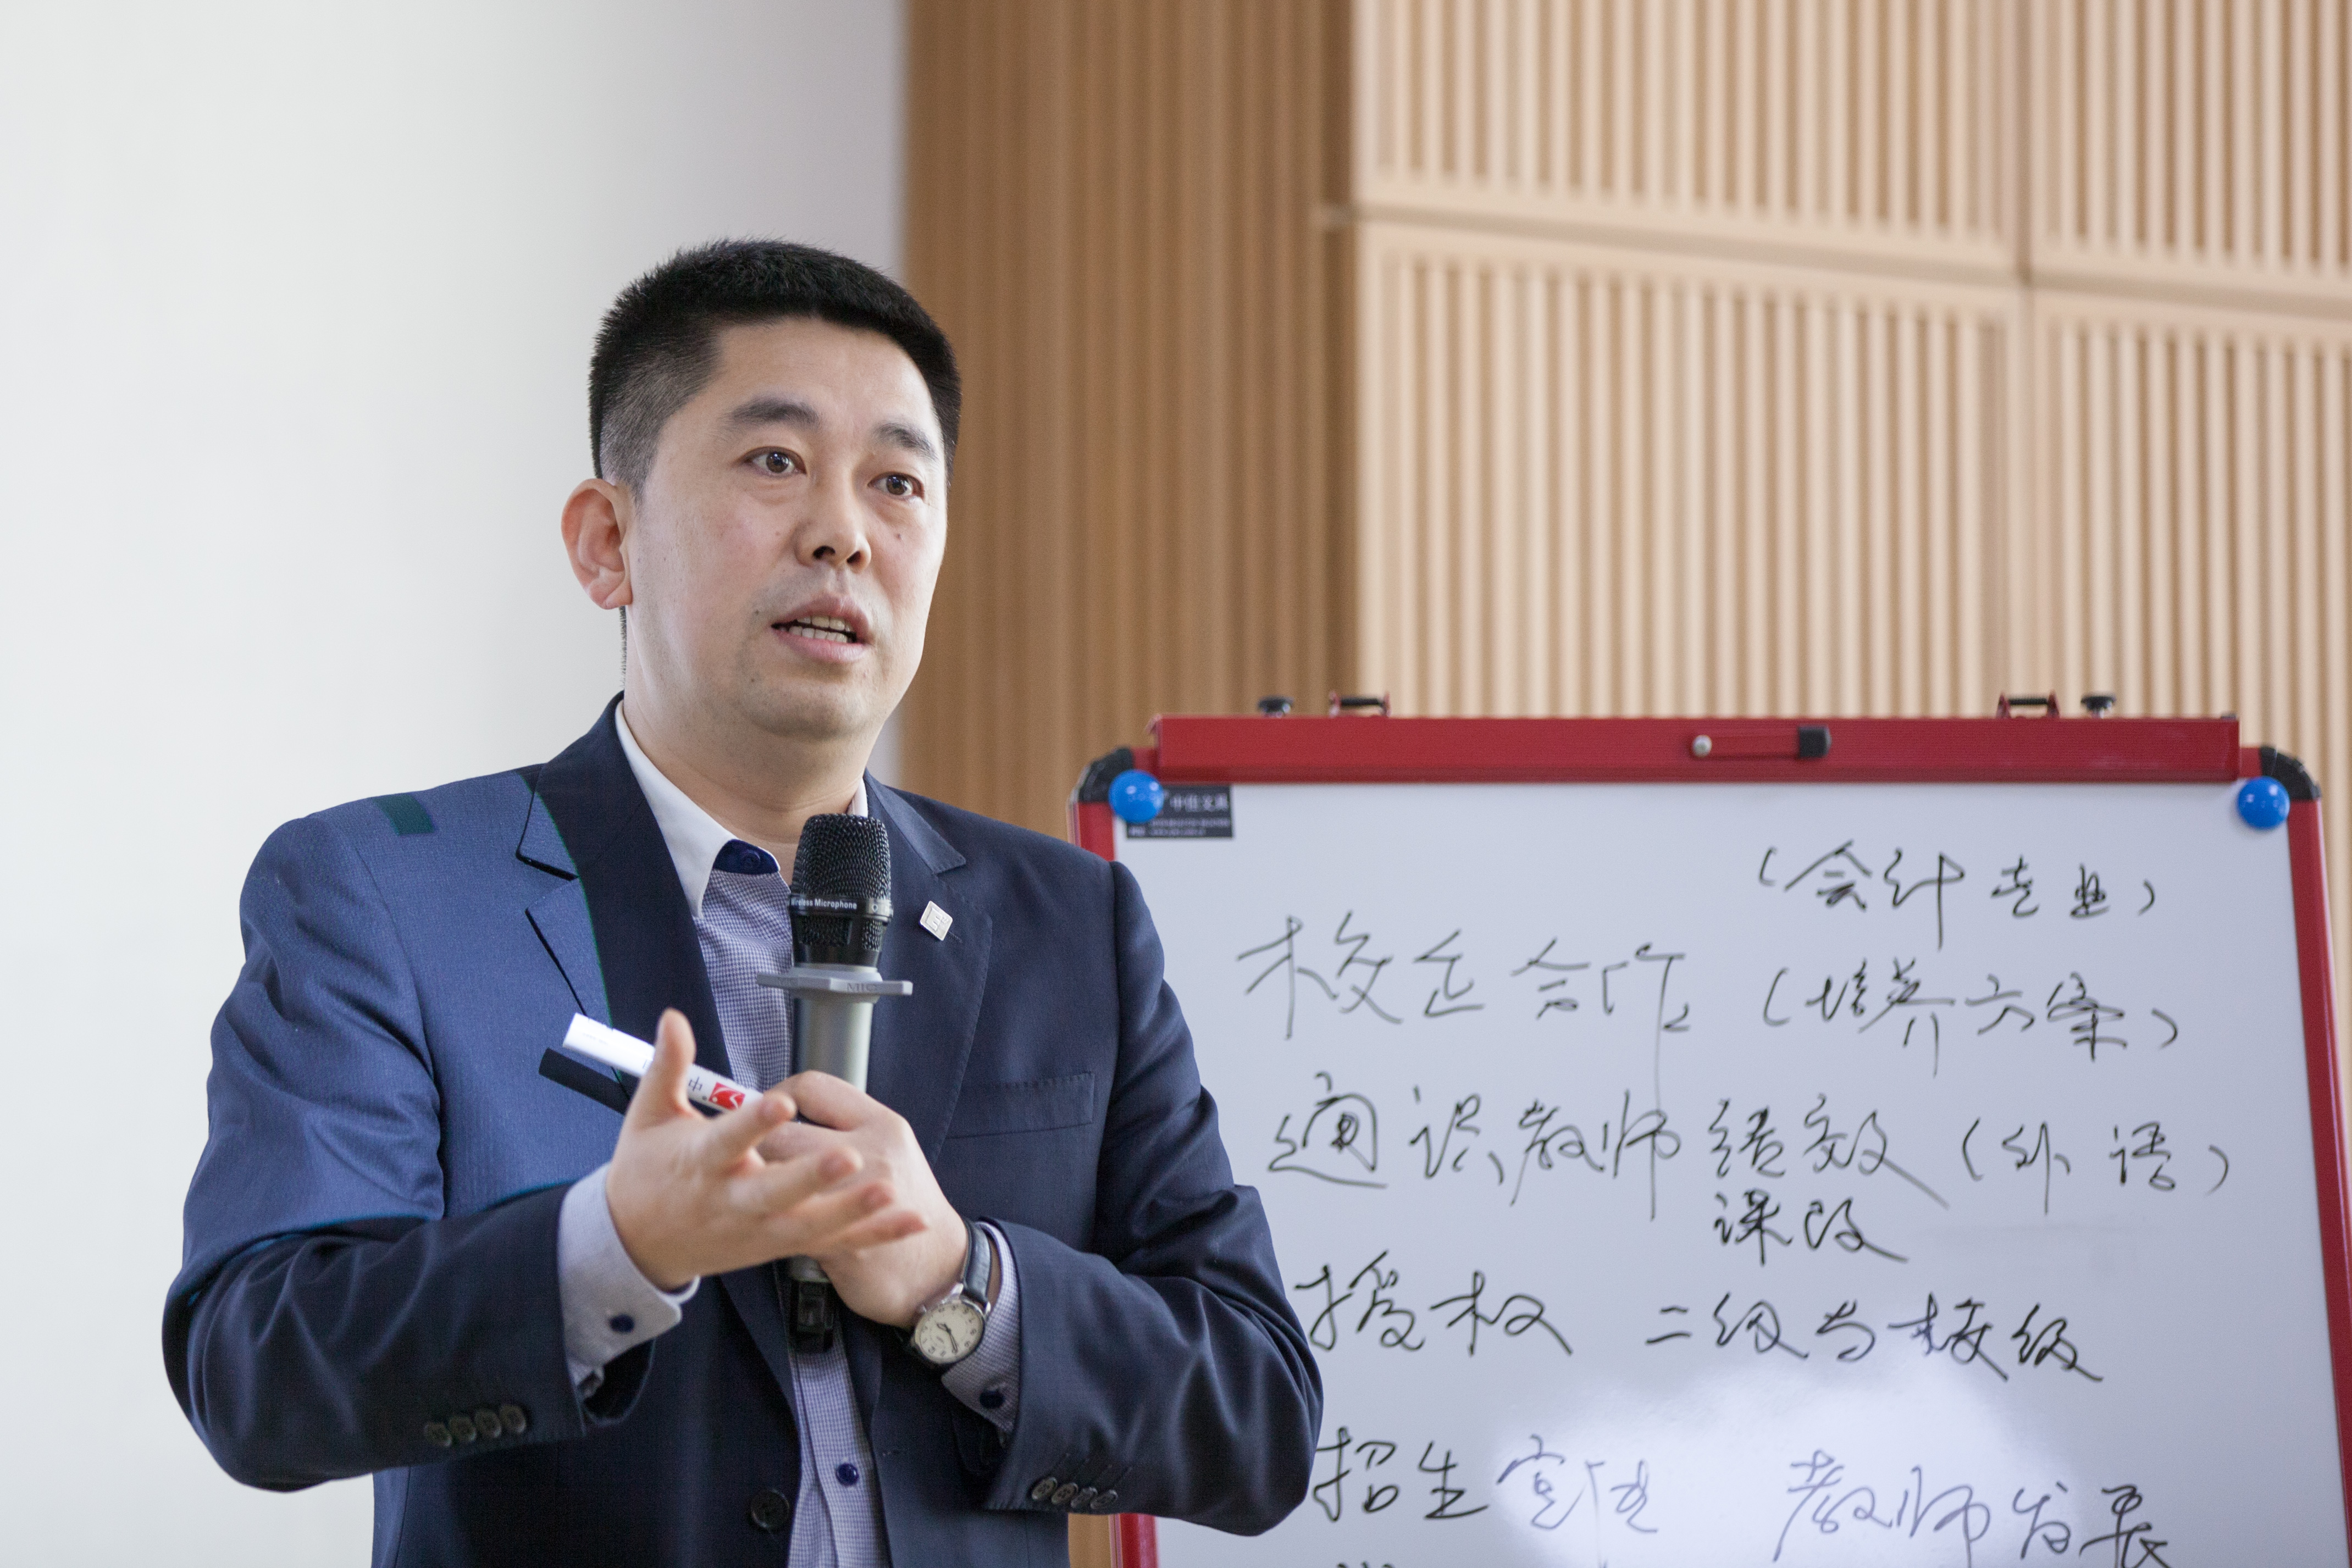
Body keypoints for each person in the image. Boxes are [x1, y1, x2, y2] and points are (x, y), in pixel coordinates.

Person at [165, 240, 1320, 1566]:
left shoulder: (1072, 922)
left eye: (897, 482)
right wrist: (616, 1244)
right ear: (609, 543)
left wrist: (956, 1278)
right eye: (775, 461)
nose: (843, 531)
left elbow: (1258, 1411)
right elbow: (256, 1364)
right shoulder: (388, 895)